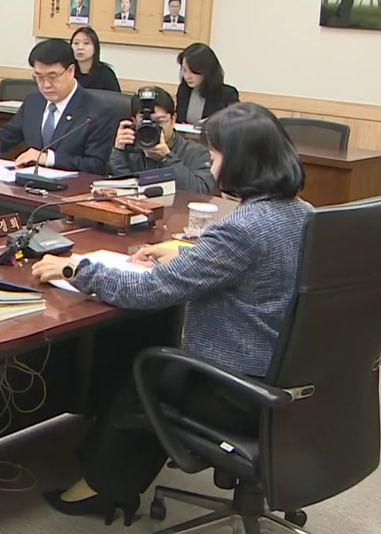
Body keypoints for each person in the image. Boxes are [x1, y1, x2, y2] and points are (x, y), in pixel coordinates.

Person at [31, 102, 309, 525]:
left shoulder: (241, 228)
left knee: (144, 374)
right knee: (158, 370)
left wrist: (75, 269)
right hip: (292, 378)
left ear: (241, 162)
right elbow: (254, 266)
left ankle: (103, 489)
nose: (212, 165)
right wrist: (185, 253)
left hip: (238, 389)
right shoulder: (304, 213)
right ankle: (112, 480)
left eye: (214, 155)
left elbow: (147, 290)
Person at [0, 39, 117, 174]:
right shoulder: (34, 102)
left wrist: (48, 158)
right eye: (39, 77)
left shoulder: (97, 112)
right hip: (29, 190)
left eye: (52, 76)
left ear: (70, 71)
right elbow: (3, 138)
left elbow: (96, 166)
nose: (45, 84)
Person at [110, 87, 214, 194]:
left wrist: (167, 158)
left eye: (159, 122)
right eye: (145, 122)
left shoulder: (195, 152)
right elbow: (121, 188)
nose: (152, 128)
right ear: (134, 120)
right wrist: (118, 152)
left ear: (173, 119)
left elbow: (202, 192)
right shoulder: (130, 148)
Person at [176, 43, 240, 125]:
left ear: (207, 71)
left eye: (193, 71)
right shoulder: (183, 90)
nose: (187, 76)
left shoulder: (227, 94)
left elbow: (236, 123)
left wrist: (214, 122)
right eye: (184, 70)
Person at [70, 27, 120, 92]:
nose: (80, 47)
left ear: (95, 48)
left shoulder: (106, 73)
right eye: (76, 43)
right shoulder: (67, 72)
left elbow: (115, 97)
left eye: (86, 43)